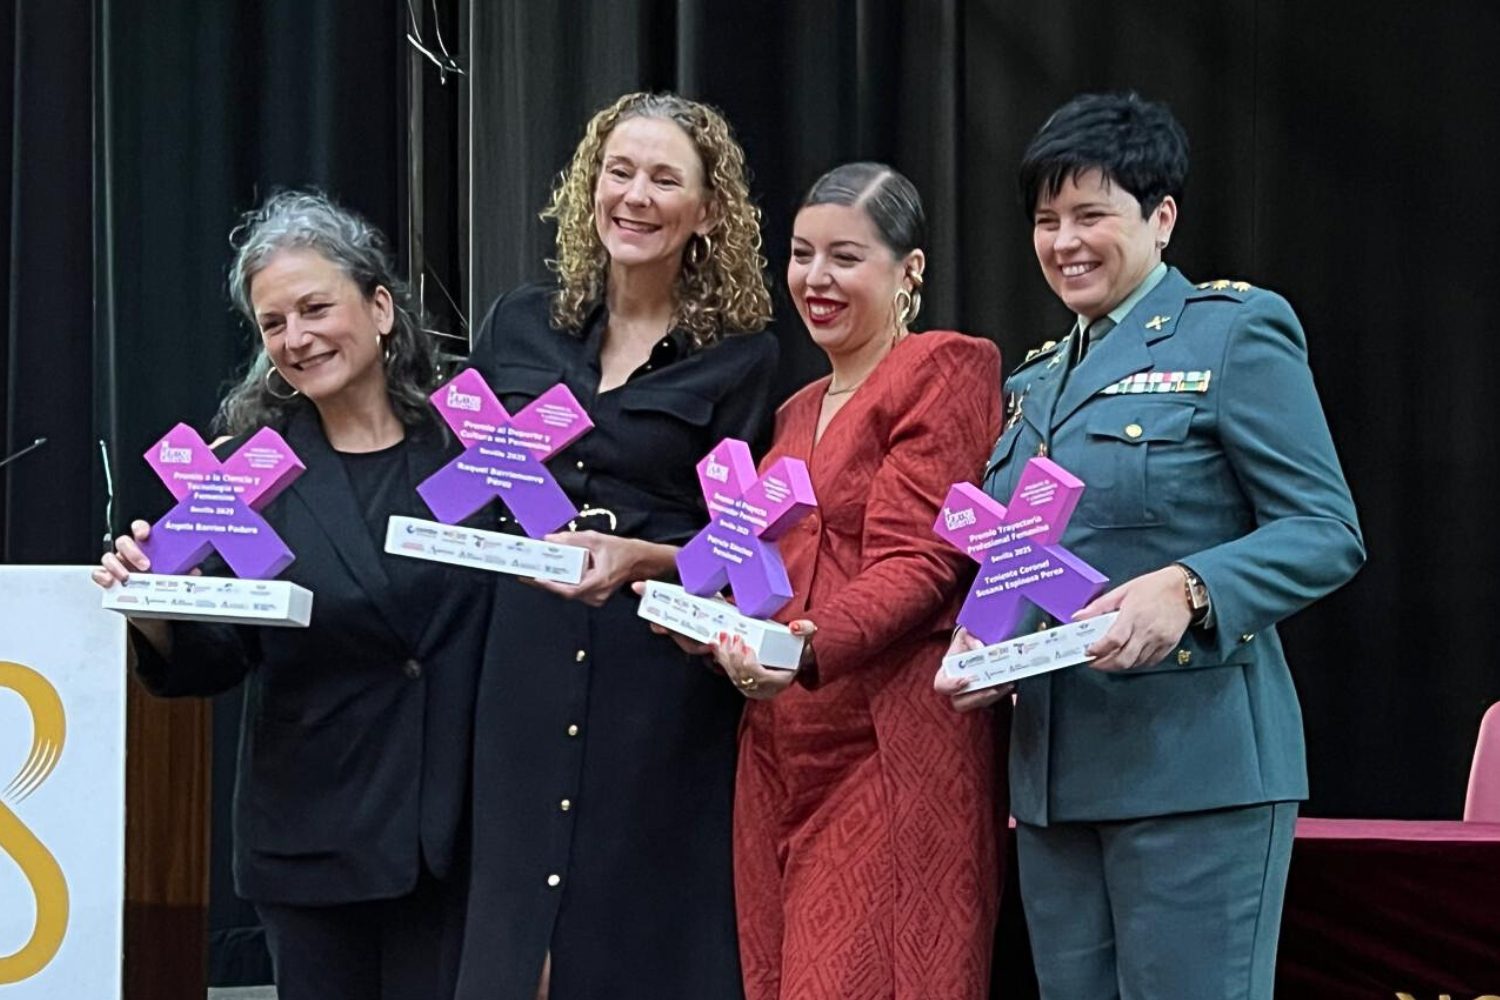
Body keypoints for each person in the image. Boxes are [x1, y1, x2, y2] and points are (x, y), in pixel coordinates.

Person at [938, 92, 1366, 999]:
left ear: (1161, 217)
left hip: (1193, 773)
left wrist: (1190, 587)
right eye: (1046, 220)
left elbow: (1326, 530)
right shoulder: (1034, 382)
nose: (1065, 242)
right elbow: (1028, 560)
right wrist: (988, 639)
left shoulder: (1234, 333)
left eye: (1091, 214)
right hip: (1056, 785)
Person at [93, 191, 492, 1000]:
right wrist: (156, 610)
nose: (296, 338)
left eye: (315, 308)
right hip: (314, 844)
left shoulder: (471, 451)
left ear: (380, 309)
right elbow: (219, 656)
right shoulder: (245, 474)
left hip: (456, 840)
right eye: (273, 324)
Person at [454, 92, 778, 1000]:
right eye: (619, 171)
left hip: (656, 679)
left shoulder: (743, 357)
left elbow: (744, 546)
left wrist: (646, 559)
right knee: (514, 945)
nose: (634, 196)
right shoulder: (518, 323)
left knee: (634, 940)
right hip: (522, 659)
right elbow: (460, 491)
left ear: (707, 212)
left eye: (664, 179)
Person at [704, 163, 1003, 1000]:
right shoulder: (793, 411)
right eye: (802, 255)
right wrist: (709, 621)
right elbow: (761, 568)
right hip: (777, 753)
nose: (816, 279)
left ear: (910, 271)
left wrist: (802, 647)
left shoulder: (944, 366)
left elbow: (926, 559)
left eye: (845, 257)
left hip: (885, 745)